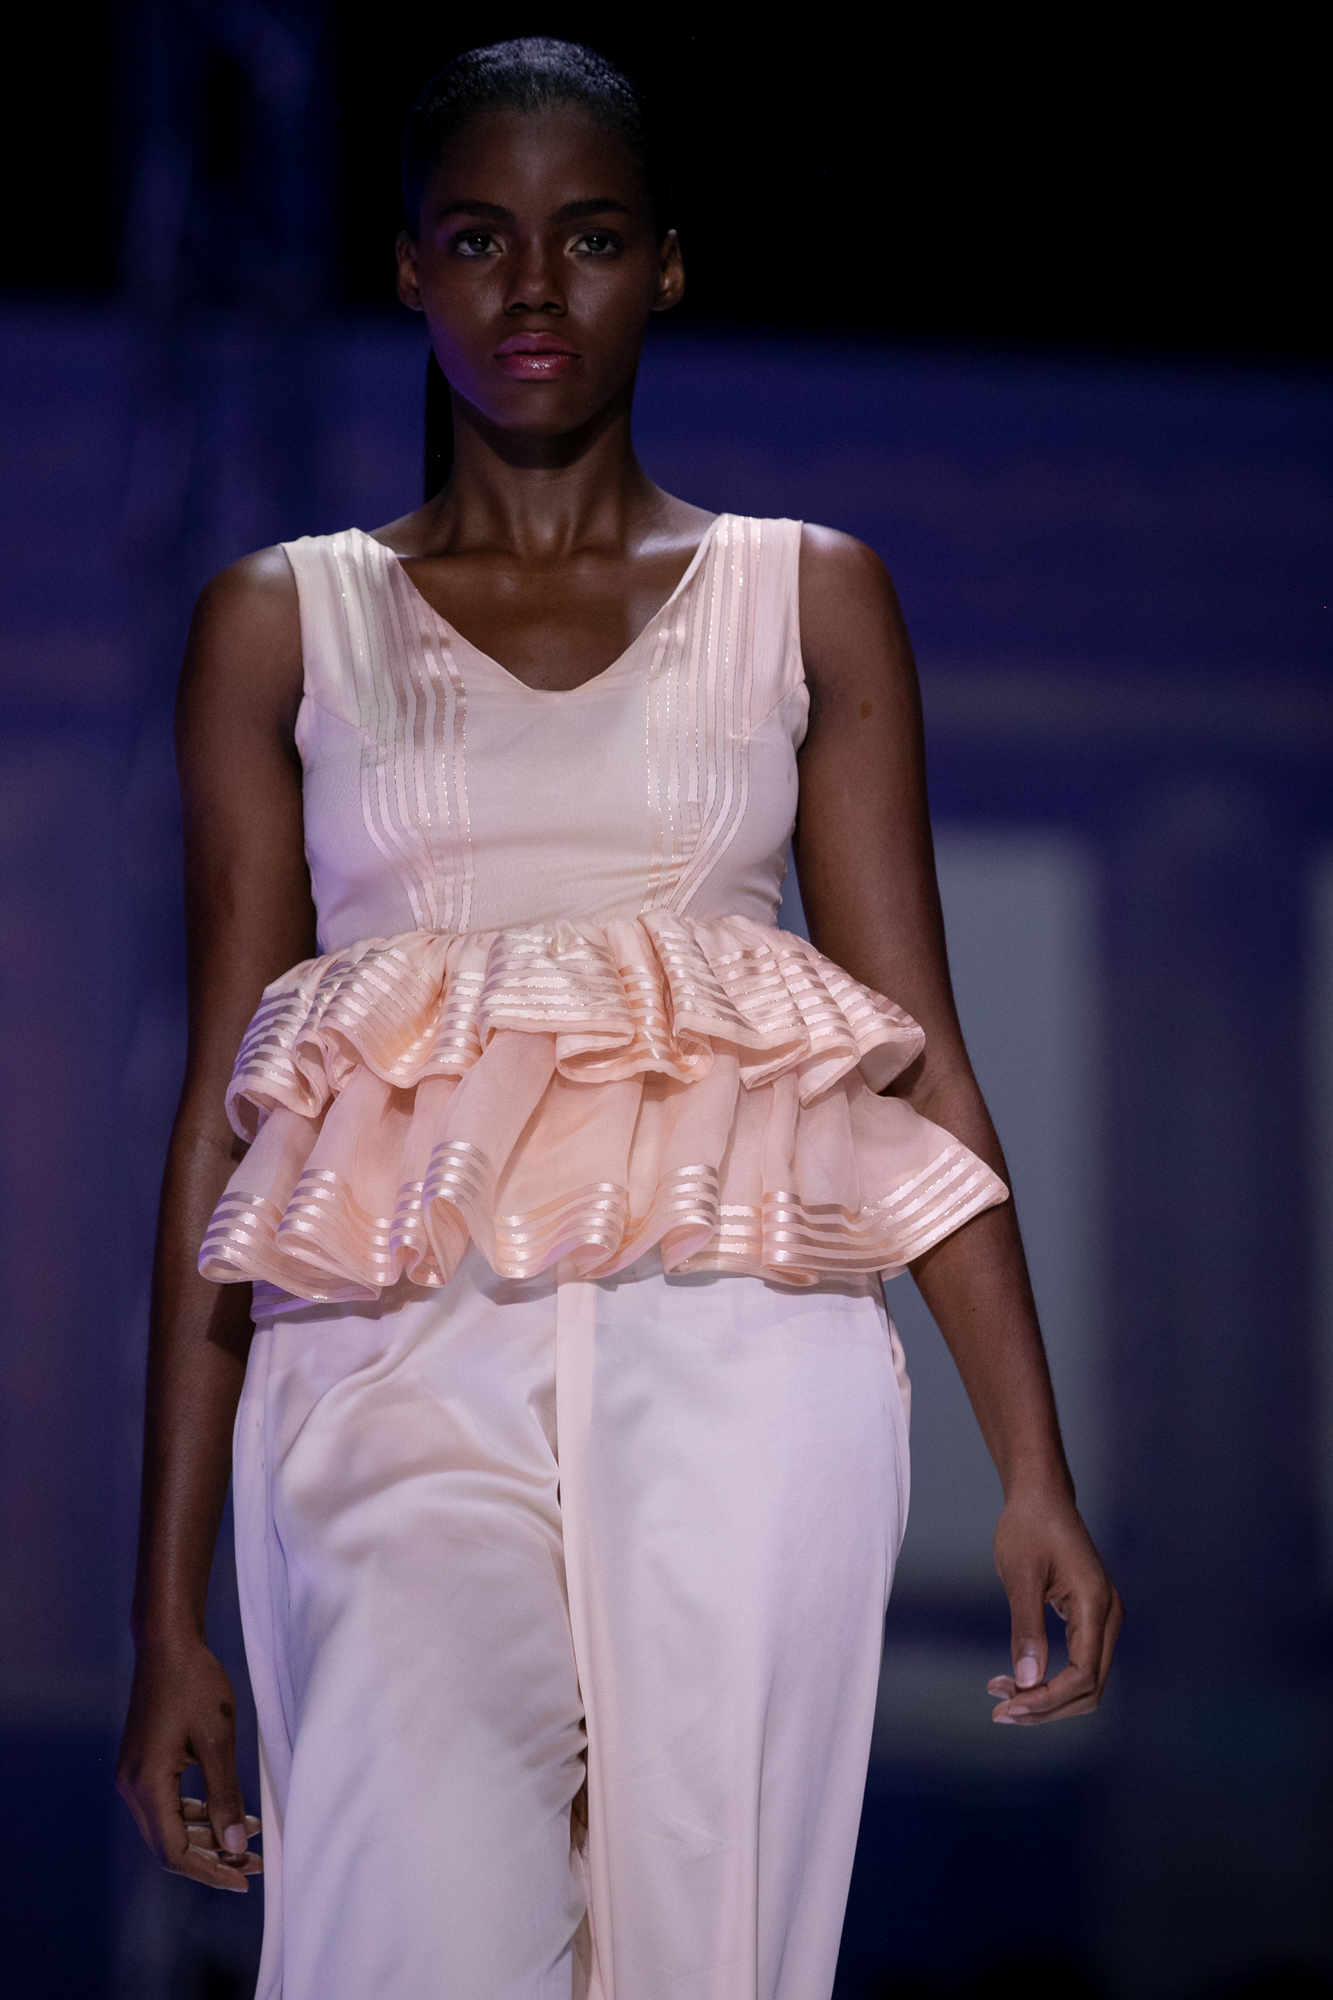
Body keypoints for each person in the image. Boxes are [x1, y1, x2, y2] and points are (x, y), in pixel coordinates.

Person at [115, 37, 1122, 2000]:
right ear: (408, 269)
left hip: (746, 1356)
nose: (530, 288)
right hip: (390, 1363)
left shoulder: (805, 597)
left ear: (664, 264)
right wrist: (166, 1614)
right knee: (409, 1941)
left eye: (585, 239)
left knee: (703, 1960)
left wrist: (1030, 1467)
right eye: (477, 239)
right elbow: (225, 1117)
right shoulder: (279, 622)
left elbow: (915, 1043)